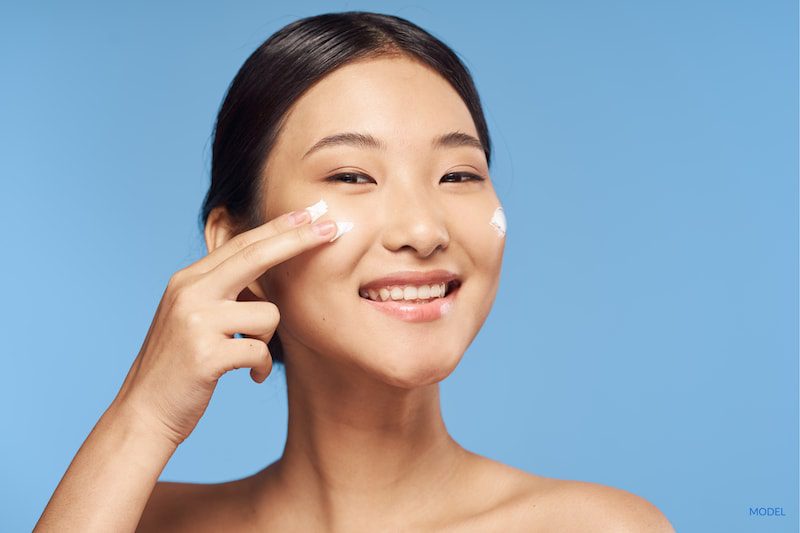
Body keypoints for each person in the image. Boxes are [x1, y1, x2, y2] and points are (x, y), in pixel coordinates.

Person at [35, 11, 675, 532]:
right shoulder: (136, 519)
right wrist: (143, 416)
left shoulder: (594, 526)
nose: (424, 232)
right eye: (351, 176)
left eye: (459, 175)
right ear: (238, 244)